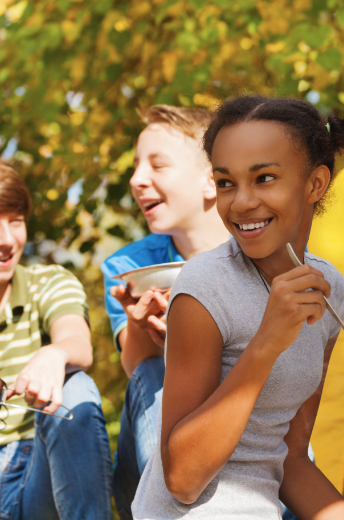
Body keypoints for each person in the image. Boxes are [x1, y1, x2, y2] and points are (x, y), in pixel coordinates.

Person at [131, 96, 344, 519]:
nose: (241, 202)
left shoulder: (328, 287)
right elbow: (182, 481)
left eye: (264, 178)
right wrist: (266, 343)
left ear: (316, 183)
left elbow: (292, 460)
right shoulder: (205, 287)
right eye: (226, 183)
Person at [0, 154, 112, 519]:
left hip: (39, 476)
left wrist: (56, 353)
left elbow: (76, 342)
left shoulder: (48, 283)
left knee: (75, 387)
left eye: (15, 222)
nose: (7, 240)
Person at [100, 105, 230, 517]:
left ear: (211, 181)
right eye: (137, 166)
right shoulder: (129, 268)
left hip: (241, 449)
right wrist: (143, 329)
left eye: (157, 165)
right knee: (155, 375)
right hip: (153, 471)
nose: (137, 180)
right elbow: (137, 367)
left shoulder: (260, 255)